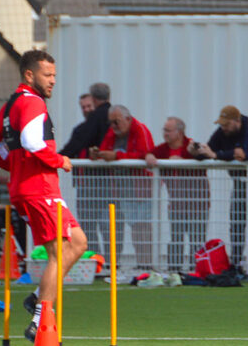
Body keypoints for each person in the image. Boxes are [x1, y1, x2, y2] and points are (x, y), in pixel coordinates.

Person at [0, 50, 88, 341]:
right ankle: (40, 317)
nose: (53, 80)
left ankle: (35, 297)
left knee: (78, 243)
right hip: (40, 189)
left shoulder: (9, 107)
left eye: (54, 75)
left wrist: (16, 168)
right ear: (29, 75)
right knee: (60, 252)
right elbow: (32, 141)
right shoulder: (32, 102)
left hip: (27, 188)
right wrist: (59, 160)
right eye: (47, 75)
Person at [91, 105, 155, 269]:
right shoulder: (113, 132)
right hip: (120, 188)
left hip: (140, 187)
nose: (113, 126)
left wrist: (116, 156)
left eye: (117, 122)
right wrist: (98, 154)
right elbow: (106, 149)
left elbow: (145, 153)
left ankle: (145, 264)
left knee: (141, 226)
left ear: (127, 119)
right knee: (131, 226)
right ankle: (134, 264)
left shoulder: (140, 129)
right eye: (111, 123)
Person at [193, 105, 248, 268]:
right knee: (236, 222)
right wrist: (197, 151)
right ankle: (236, 262)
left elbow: (247, 154)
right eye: (222, 125)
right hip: (239, 184)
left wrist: (217, 155)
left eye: (226, 124)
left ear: (237, 121)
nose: (223, 128)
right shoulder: (223, 132)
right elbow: (210, 150)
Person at [145, 117, 209, 271]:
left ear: (179, 132)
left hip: (197, 205)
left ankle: (199, 270)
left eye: (168, 130)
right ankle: (174, 270)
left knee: (197, 239)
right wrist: (149, 156)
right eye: (164, 130)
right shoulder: (163, 149)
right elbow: (148, 154)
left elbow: (203, 155)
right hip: (176, 205)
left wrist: (182, 160)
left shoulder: (191, 146)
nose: (164, 133)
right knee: (176, 238)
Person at [60, 82, 111, 254]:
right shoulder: (81, 129)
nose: (87, 109)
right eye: (83, 107)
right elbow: (72, 148)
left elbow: (73, 147)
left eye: (89, 105)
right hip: (84, 185)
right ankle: (94, 257)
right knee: (88, 223)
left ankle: (111, 262)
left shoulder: (100, 121)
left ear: (94, 102)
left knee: (107, 225)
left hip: (104, 183)